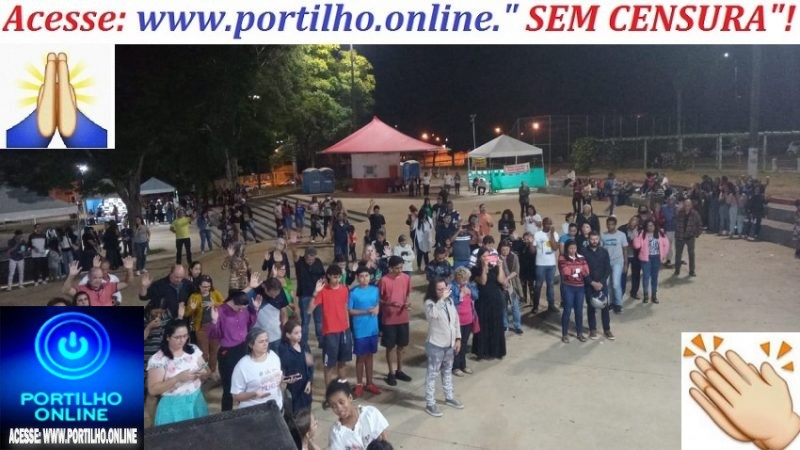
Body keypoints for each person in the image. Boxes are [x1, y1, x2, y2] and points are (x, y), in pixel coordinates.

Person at [207, 283, 261, 411]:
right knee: (228, 386)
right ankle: (226, 414)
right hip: (228, 351)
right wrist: (214, 322)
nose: (242, 311)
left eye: (244, 308)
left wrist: (255, 310)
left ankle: (245, 409)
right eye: (240, 308)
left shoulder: (243, 308)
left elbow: (250, 324)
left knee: (246, 381)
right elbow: (214, 335)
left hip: (243, 347)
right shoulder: (220, 311)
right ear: (233, 303)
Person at [146, 319, 210, 425]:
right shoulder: (158, 359)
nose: (182, 340)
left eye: (185, 336)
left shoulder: (193, 350)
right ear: (167, 337)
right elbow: (153, 390)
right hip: (173, 404)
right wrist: (177, 378)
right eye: (177, 337)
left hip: (196, 398)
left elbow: (206, 370)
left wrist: (204, 373)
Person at [422, 278, 464, 418]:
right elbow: (432, 315)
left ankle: (449, 396)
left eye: (444, 289)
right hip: (436, 344)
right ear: (433, 290)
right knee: (432, 374)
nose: (442, 291)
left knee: (447, 371)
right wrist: (441, 300)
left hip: (449, 344)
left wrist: (458, 338)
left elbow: (455, 321)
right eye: (439, 289)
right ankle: (430, 403)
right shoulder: (429, 303)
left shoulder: (449, 301)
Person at [308, 264, 352, 394]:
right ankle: (329, 394)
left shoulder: (344, 289)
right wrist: (315, 293)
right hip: (330, 333)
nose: (337, 280)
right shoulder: (323, 291)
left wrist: (348, 327)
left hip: (344, 331)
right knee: (329, 365)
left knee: (342, 362)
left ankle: (343, 391)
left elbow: (345, 307)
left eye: (339, 277)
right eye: (334, 277)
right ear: (328, 276)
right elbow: (309, 310)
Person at [378, 256, 413, 386]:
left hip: (402, 317)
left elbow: (407, 294)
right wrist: (389, 303)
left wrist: (407, 303)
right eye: (397, 268)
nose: (400, 270)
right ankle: (391, 372)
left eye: (401, 267)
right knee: (390, 347)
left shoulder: (406, 278)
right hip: (389, 318)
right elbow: (378, 299)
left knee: (401, 345)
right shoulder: (384, 280)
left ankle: (399, 370)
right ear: (391, 268)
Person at [230, 327, 284, 410]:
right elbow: (236, 396)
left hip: (276, 408)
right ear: (251, 345)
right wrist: (254, 394)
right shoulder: (242, 366)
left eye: (266, 340)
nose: (265, 344)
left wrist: (284, 379)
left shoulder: (273, 356)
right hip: (255, 412)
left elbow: (279, 378)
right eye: (261, 341)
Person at [348, 267, 382, 398]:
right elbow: (350, 311)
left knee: (370, 356)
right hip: (360, 329)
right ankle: (359, 384)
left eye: (366, 275)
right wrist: (366, 311)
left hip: (372, 328)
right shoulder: (353, 292)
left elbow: (378, 303)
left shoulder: (375, 290)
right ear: (357, 278)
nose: (364, 278)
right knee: (361, 357)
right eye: (361, 276)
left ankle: (369, 382)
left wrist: (377, 308)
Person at [326, 380, 389, 450]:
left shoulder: (370, 414)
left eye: (341, 402)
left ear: (350, 398)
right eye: (333, 406)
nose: (339, 408)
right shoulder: (336, 433)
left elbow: (384, 443)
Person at [471, 247, 507, 360]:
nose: (486, 258)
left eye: (488, 256)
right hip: (482, 301)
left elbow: (501, 280)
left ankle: (496, 351)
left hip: (495, 299)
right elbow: (483, 281)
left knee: (496, 324)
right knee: (483, 325)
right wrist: (484, 268)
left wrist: (500, 267)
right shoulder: (475, 270)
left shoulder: (495, 268)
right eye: (484, 256)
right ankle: (482, 351)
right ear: (479, 258)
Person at [185, 275, 224, 379]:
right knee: (204, 353)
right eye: (204, 286)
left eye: (208, 286)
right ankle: (204, 373)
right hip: (201, 328)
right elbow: (186, 314)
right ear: (199, 286)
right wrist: (192, 308)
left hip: (214, 326)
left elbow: (224, 305)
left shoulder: (215, 293)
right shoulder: (194, 296)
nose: (206, 288)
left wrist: (214, 303)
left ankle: (212, 372)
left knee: (214, 351)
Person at [62, 257, 134, 306]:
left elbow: (127, 283)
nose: (98, 280)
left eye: (100, 277)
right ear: (89, 277)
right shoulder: (82, 289)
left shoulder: (108, 286)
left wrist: (130, 269)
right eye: (95, 278)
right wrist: (71, 276)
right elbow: (65, 290)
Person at [582, 232, 613, 340]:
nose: (594, 241)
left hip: (602, 285)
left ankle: (607, 329)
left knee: (605, 306)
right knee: (591, 306)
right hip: (589, 284)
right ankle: (592, 330)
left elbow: (608, 269)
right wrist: (592, 283)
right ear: (588, 240)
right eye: (592, 239)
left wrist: (601, 283)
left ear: (599, 239)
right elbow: (582, 270)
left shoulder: (604, 252)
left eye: (596, 239)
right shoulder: (583, 252)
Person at [278, 319, 314, 414]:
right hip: (292, 388)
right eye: (296, 333)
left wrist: (309, 381)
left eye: (300, 332)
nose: (299, 335)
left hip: (305, 386)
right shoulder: (283, 349)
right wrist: (285, 380)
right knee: (294, 413)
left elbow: (310, 366)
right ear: (288, 335)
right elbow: (281, 370)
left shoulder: (304, 346)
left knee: (306, 411)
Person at [294, 246, 326, 347]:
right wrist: (292, 244)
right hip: (305, 296)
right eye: (309, 258)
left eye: (313, 258)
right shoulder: (299, 262)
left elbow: (323, 275)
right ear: (305, 255)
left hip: (318, 296)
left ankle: (321, 342)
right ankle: (303, 343)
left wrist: (323, 283)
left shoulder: (318, 262)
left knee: (319, 321)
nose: (311, 260)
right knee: (305, 322)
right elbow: (294, 254)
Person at [558, 240, 589, 343]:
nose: (573, 250)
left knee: (579, 311)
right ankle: (564, 334)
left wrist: (574, 271)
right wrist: (578, 269)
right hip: (568, 287)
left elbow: (586, 271)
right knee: (567, 310)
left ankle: (579, 333)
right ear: (567, 248)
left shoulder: (581, 257)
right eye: (571, 248)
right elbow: (565, 271)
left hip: (580, 288)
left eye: (574, 248)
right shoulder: (562, 258)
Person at [633, 220, 670, 304]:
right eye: (648, 225)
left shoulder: (660, 233)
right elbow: (636, 246)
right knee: (646, 277)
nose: (650, 227)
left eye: (652, 225)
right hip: (646, 258)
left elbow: (666, 244)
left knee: (654, 277)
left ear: (655, 226)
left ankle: (654, 296)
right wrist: (636, 236)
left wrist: (664, 255)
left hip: (656, 258)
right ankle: (646, 295)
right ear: (646, 227)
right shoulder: (642, 234)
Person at [450, 267, 477, 376]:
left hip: (468, 318)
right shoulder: (451, 287)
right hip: (457, 321)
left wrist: (470, 292)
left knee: (464, 343)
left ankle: (463, 365)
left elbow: (476, 296)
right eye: (464, 279)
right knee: (457, 344)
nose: (466, 281)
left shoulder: (469, 285)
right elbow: (451, 302)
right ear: (458, 278)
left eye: (467, 279)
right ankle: (455, 367)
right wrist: (460, 295)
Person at [253, 277, 290, 352]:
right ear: (265, 288)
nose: (274, 297)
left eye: (276, 295)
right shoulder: (255, 291)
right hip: (259, 336)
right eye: (271, 295)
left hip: (276, 335)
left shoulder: (280, 291)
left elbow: (284, 313)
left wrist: (285, 331)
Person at [601, 217, 628, 314]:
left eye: (612, 224)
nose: (610, 226)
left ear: (615, 225)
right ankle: (610, 302)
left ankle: (618, 304)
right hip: (606, 263)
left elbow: (625, 250)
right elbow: (601, 250)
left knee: (616, 284)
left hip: (618, 262)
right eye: (608, 224)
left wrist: (626, 264)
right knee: (607, 283)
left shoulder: (621, 235)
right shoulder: (603, 235)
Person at [532, 218, 560, 314]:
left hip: (551, 264)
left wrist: (551, 234)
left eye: (550, 224)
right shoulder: (537, 234)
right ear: (543, 224)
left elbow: (555, 248)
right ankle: (535, 306)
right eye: (547, 224)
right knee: (538, 285)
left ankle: (551, 305)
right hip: (540, 264)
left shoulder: (555, 234)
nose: (549, 225)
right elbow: (533, 250)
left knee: (550, 285)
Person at [498, 240, 523, 334]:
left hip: (513, 284)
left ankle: (517, 325)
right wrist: (503, 281)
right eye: (503, 250)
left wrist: (507, 279)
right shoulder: (497, 258)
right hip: (501, 285)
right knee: (503, 306)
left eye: (507, 249)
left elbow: (516, 271)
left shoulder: (514, 256)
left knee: (515, 306)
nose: (505, 251)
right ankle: (505, 325)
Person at [674, 199, 703, 277]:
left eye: (688, 205)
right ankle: (677, 270)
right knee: (678, 254)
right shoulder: (679, 213)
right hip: (680, 237)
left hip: (690, 237)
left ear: (691, 206)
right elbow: (674, 221)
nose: (687, 207)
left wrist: (696, 234)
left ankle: (692, 271)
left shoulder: (695, 214)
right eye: (686, 205)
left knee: (691, 255)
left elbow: (700, 225)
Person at [661, 197, 677, 268]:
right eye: (670, 199)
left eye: (673, 199)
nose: (671, 201)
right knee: (668, 245)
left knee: (675, 245)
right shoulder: (663, 208)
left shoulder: (677, 208)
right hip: (667, 229)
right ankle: (668, 260)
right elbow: (667, 218)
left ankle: (675, 259)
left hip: (676, 229)